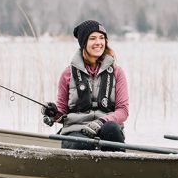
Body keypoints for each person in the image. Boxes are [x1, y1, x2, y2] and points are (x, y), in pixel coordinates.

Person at [42, 20, 129, 150]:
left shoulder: (117, 72)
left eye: (102, 38)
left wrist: (102, 121)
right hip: (76, 131)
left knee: (112, 129)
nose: (98, 42)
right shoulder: (67, 74)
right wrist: (52, 113)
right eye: (92, 38)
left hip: (106, 128)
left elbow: (123, 111)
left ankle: (116, 168)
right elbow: (61, 114)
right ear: (84, 43)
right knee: (82, 143)